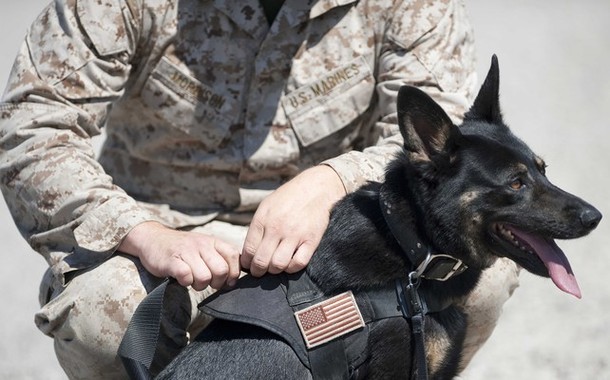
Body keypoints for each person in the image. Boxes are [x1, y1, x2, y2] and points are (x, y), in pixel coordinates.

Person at [0, 0, 520, 378]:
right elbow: (34, 128)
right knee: (100, 312)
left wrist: (331, 181)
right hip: (164, 232)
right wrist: (143, 233)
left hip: (340, 239)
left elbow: (448, 138)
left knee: (480, 273)